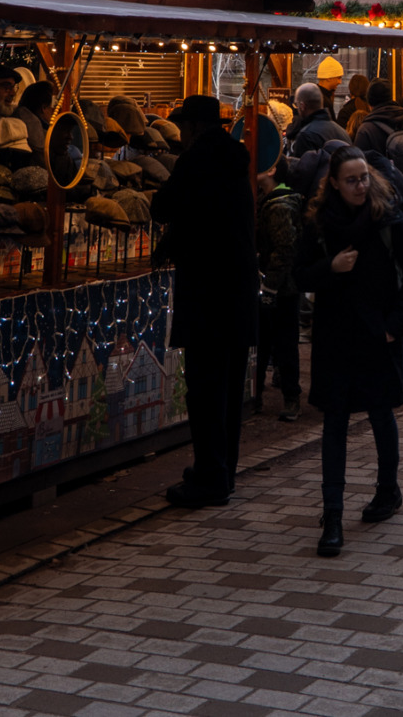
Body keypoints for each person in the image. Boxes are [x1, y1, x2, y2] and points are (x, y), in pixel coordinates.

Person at [297, 142, 403, 556]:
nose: (360, 186)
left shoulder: (387, 217)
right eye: (351, 180)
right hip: (335, 336)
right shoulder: (320, 223)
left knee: (380, 412)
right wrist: (330, 268)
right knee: (334, 421)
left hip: (376, 335)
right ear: (333, 183)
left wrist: (395, 326)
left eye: (364, 178)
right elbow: (299, 275)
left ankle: (388, 490)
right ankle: (332, 514)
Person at [149, 94, 258, 507]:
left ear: (192, 127)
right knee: (227, 388)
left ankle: (210, 479)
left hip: (207, 292)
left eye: (182, 126)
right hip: (237, 291)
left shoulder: (195, 162)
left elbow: (164, 207)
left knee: (205, 389)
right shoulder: (235, 161)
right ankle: (222, 470)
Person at [255, 165, 307, 421]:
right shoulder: (270, 200)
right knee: (269, 342)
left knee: (281, 342)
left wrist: (270, 287)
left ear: (271, 170)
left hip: (282, 288)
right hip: (280, 285)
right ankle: (260, 396)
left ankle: (290, 398)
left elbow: (284, 249)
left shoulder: (279, 205)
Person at [288, 81, 350, 159]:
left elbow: (304, 165)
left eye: (296, 105)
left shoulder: (306, 136)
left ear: (302, 106)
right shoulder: (343, 133)